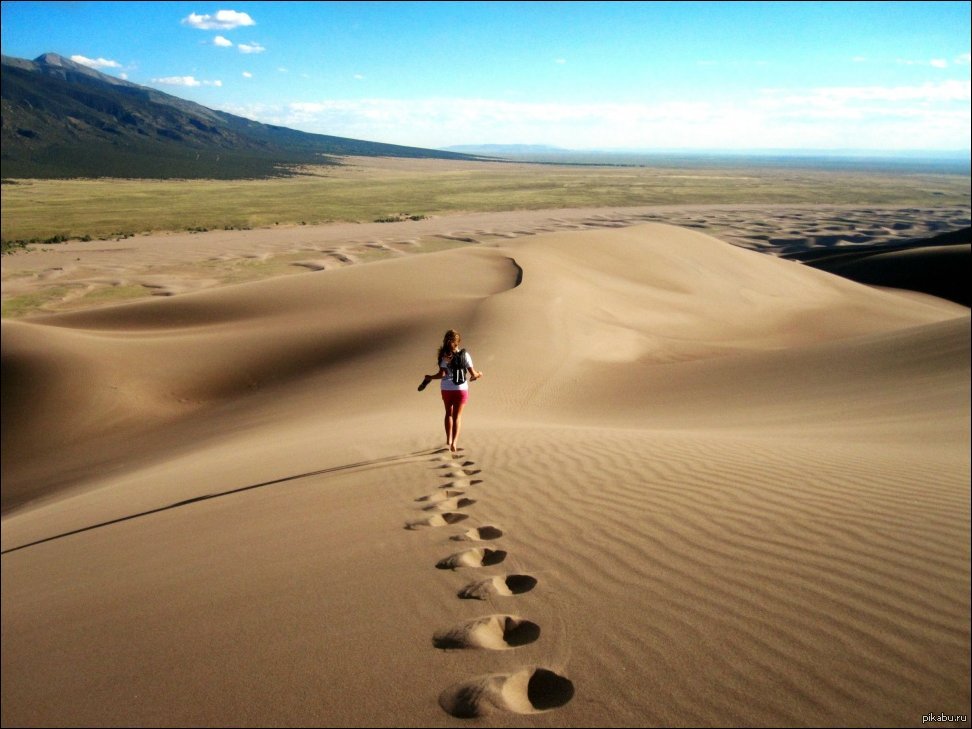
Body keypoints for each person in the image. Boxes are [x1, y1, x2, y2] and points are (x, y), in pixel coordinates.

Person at [418, 329, 483, 453]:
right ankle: (454, 442)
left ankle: (448, 440)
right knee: (457, 417)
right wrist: (480, 374)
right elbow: (473, 375)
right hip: (461, 388)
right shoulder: (465, 355)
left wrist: (430, 377)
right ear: (458, 343)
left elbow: (441, 374)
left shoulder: (444, 357)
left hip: (447, 388)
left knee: (448, 413)